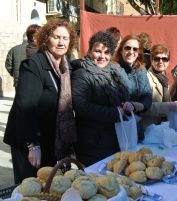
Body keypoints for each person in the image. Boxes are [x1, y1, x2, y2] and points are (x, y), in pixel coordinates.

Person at [3, 18, 78, 184]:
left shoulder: (67, 67)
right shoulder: (33, 65)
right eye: (56, 37)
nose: (61, 42)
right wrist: (33, 144)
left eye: (65, 38)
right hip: (28, 139)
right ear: (46, 39)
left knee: (50, 185)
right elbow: (25, 106)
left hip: (51, 137)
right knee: (31, 187)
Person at [71, 31, 131, 166]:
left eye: (107, 52)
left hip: (114, 138)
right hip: (92, 143)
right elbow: (80, 106)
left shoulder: (114, 71)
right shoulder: (82, 73)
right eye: (98, 51)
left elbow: (123, 96)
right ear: (90, 51)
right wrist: (115, 112)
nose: (102, 56)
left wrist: (126, 105)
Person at [113, 34, 152, 140]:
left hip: (136, 126)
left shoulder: (141, 69)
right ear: (121, 50)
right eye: (127, 48)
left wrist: (135, 106)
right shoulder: (113, 69)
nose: (131, 52)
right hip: (118, 128)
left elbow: (148, 97)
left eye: (135, 49)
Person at [140, 44, 177, 130]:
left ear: (169, 62)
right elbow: (143, 107)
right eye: (157, 58)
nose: (161, 62)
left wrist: (174, 104)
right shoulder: (146, 78)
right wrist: (168, 106)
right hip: (149, 129)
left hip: (162, 127)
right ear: (151, 60)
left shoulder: (163, 77)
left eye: (164, 59)